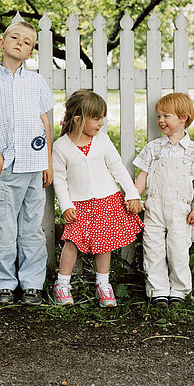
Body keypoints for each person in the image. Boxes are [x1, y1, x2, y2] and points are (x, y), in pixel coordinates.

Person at [0, 21, 55, 306]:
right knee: (5, 228)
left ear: (30, 52)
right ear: (2, 43)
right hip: (6, 166)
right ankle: (5, 283)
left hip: (34, 165)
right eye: (15, 37)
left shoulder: (37, 82)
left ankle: (32, 284)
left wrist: (48, 161)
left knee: (32, 227)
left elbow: (46, 123)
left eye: (27, 42)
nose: (20, 43)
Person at [52, 90, 143, 308]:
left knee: (104, 244)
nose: (102, 123)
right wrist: (65, 205)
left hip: (107, 200)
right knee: (72, 243)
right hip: (78, 205)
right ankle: (62, 284)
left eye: (102, 117)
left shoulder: (102, 140)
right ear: (77, 120)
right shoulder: (61, 146)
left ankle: (103, 284)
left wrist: (132, 194)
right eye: (97, 118)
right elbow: (59, 179)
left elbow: (118, 168)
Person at [133, 92, 194, 307]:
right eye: (159, 116)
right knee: (153, 250)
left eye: (166, 116)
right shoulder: (153, 148)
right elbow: (143, 175)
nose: (160, 121)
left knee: (178, 250)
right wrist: (134, 196)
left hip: (180, 211)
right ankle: (157, 290)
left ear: (183, 117)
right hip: (154, 209)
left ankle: (178, 290)